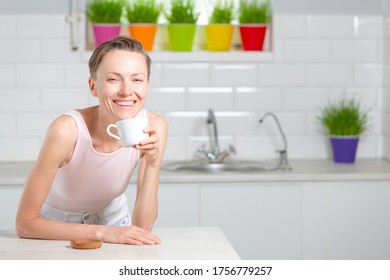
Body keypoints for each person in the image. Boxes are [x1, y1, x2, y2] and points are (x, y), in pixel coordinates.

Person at [15, 36, 168, 245]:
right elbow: (25, 224)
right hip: (56, 228)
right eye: (113, 79)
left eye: (137, 79)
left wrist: (152, 164)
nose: (126, 90)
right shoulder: (67, 130)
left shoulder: (154, 127)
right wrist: (101, 232)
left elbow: (142, 229)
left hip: (116, 224)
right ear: (93, 86)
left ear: (147, 86)